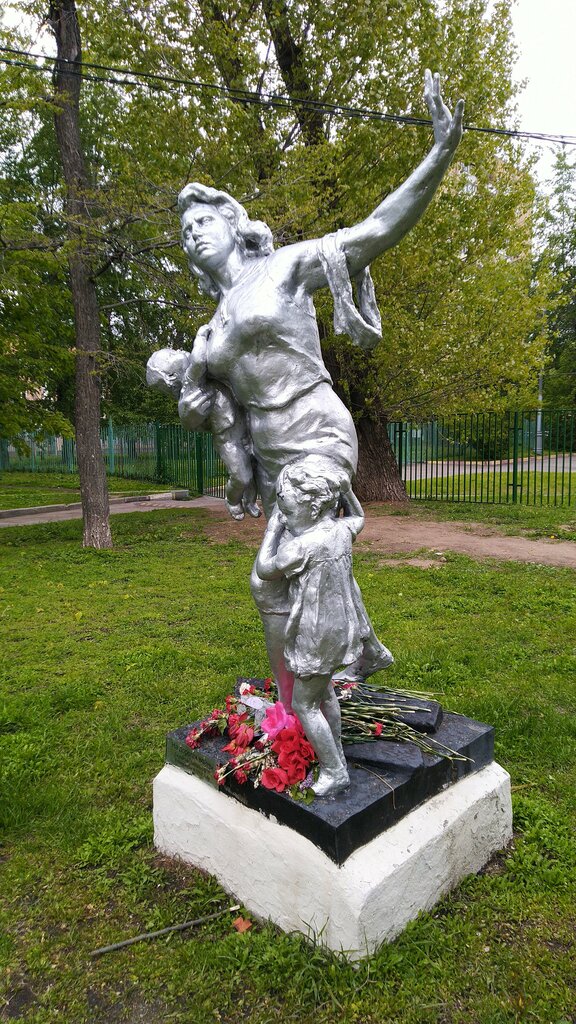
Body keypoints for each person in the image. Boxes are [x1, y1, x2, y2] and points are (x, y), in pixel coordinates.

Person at [152, 71, 463, 709]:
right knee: (273, 583)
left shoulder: (284, 267)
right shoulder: (211, 328)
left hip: (316, 432)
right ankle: (301, 699)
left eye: (203, 220)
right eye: (185, 232)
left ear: (232, 223)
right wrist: (194, 395)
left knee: (304, 561)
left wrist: (438, 154)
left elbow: (373, 231)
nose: (193, 234)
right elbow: (207, 410)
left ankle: (313, 703)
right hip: (270, 456)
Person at [256, 456, 371, 796]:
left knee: (304, 705)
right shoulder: (341, 531)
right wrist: (347, 491)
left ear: (313, 506)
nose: (284, 515)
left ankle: (335, 771)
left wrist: (273, 529)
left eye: (288, 511)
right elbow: (358, 517)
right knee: (325, 693)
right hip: (341, 632)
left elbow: (265, 568)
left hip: (315, 635)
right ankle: (336, 752)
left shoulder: (301, 546)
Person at [146, 336, 260, 520]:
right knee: (241, 476)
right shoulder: (191, 383)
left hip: (243, 424)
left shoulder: (204, 377)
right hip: (227, 438)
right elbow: (199, 359)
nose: (181, 352)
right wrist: (201, 335)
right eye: (174, 354)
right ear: (172, 376)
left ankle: (250, 501)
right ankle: (232, 500)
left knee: (253, 468)